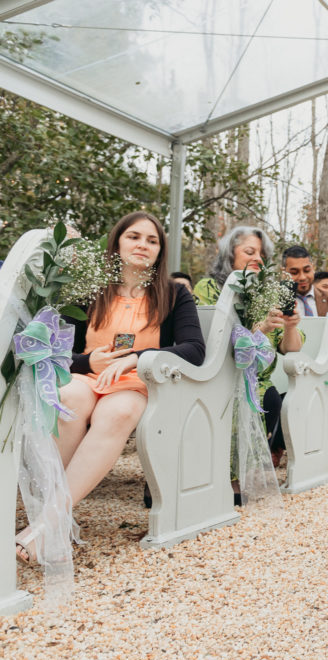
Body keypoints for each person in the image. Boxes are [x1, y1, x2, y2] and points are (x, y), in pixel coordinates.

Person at [16, 211, 205, 562]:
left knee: (116, 414)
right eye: (134, 237)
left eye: (152, 240)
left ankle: (46, 525)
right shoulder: (91, 290)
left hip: (138, 383)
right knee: (67, 399)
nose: (142, 245)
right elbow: (55, 351)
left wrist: (137, 357)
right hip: (88, 377)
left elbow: (194, 350)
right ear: (117, 242)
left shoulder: (174, 294)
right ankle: (52, 521)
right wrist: (89, 362)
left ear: (160, 251)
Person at [193, 226, 302, 477]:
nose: (257, 258)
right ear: (229, 254)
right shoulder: (208, 287)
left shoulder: (267, 294)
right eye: (249, 251)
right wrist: (257, 330)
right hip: (219, 374)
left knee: (270, 395)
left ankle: (246, 469)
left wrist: (290, 326)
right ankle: (218, 473)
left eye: (262, 254)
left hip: (258, 381)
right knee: (262, 397)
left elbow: (290, 347)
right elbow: (212, 337)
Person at [283, 245, 318, 316]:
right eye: (294, 272)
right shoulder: (274, 301)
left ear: (313, 268)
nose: (302, 277)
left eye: (307, 271)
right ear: (284, 272)